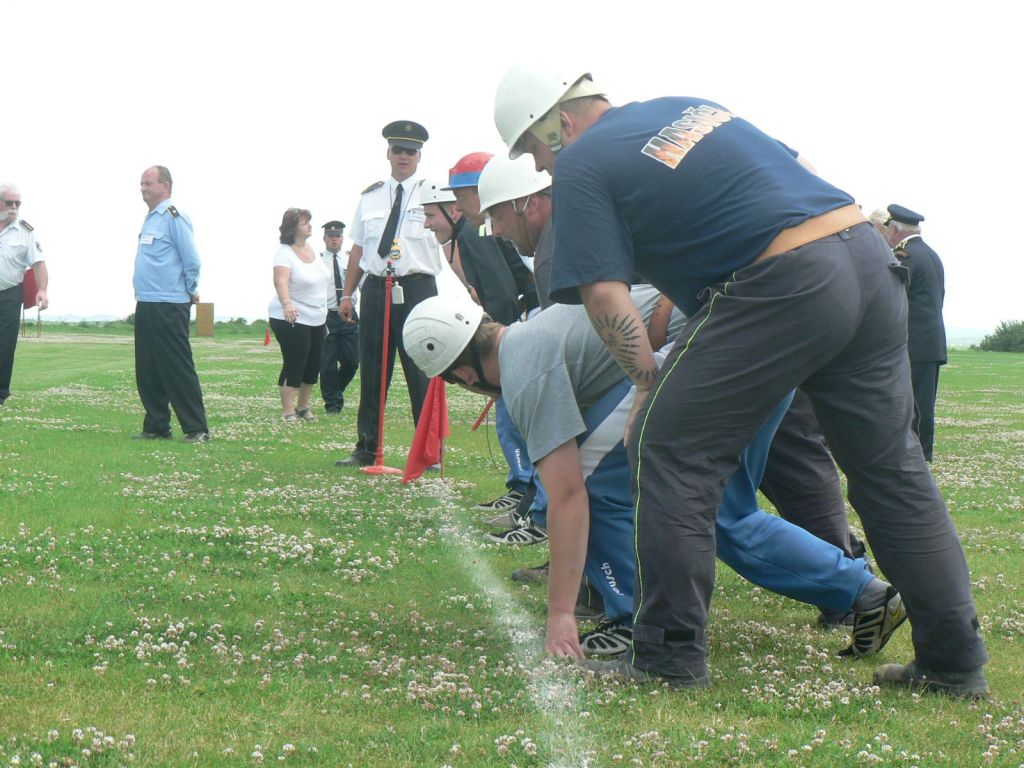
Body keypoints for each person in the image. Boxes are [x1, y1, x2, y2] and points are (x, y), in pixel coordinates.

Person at [492, 66, 988, 697]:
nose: (541, 167)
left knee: (667, 448)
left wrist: (645, 386)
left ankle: (669, 658)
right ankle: (954, 663)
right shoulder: (688, 105)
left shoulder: (583, 161)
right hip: (864, 255)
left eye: (534, 150)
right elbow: (799, 169)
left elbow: (603, 294)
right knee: (893, 470)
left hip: (785, 279)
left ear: (559, 125)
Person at [404, 289, 903, 660]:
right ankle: (866, 594)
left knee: (601, 488)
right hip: (762, 344)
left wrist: (560, 615)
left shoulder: (522, 368)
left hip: (720, 355)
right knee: (729, 515)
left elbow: (569, 495)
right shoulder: (536, 328)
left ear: (462, 375)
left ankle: (632, 619)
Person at [335, 120, 443, 468]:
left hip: (418, 288)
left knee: (421, 370)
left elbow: (450, 242)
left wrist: (472, 286)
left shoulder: (433, 194)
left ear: (420, 156)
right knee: (372, 370)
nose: (403, 156)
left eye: (411, 151)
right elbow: (358, 249)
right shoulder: (370, 196)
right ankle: (367, 448)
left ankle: (429, 453)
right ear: (388, 152)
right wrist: (347, 295)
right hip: (377, 289)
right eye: (398, 149)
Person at [133, 166, 210, 443]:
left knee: (177, 367)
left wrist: (189, 291)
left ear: (165, 186)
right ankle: (157, 426)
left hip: (169, 303)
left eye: (148, 183)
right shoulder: (151, 218)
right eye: (142, 183)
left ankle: (196, 428)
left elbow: (192, 260)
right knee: (148, 368)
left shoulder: (174, 217)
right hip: (147, 302)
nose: (143, 188)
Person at [878, 204, 947, 461]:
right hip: (930, 340)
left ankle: (917, 453)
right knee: (923, 402)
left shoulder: (905, 254)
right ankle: (922, 453)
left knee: (912, 403)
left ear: (895, 230)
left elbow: (896, 298)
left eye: (888, 230)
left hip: (914, 341)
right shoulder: (931, 254)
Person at [268, 208, 330, 422]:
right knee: (296, 360)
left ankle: (303, 406)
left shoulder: (313, 250)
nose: (309, 226)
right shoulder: (284, 253)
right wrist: (287, 304)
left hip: (317, 317)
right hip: (291, 316)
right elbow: (281, 281)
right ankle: (288, 410)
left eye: (309, 222)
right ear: (292, 228)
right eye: (304, 223)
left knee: (313, 363)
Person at [0, 183, 48, 406]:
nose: (14, 207)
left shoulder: (26, 231)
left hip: (9, 295)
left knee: (5, 345)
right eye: (9, 202)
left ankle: (0, 393)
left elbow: (38, 263)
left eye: (17, 203)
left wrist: (42, 290)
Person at [319, 220, 359, 416]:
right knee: (327, 363)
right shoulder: (317, 261)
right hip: (326, 314)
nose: (334, 239)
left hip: (348, 313)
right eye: (331, 236)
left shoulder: (351, 259)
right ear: (324, 238)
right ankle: (332, 405)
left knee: (352, 361)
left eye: (338, 236)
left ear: (342, 238)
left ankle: (335, 392)